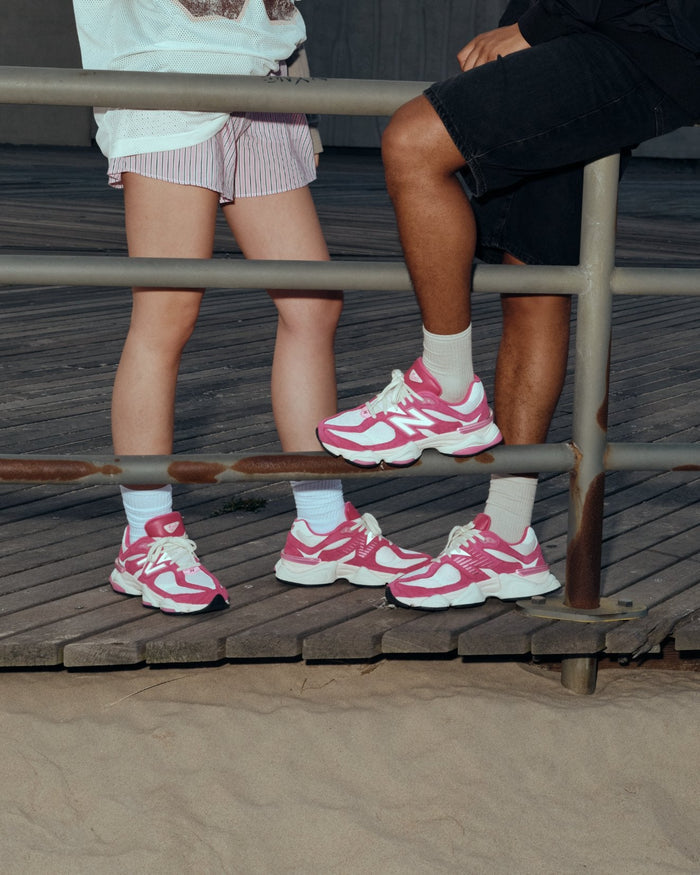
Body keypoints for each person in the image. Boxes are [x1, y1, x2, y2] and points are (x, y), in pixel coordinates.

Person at [318, 0, 700, 610]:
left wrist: (534, 28)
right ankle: (507, 538)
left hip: (637, 30)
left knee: (413, 141)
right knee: (535, 277)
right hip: (587, 27)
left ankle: (444, 388)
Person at [71, 0, 431, 615]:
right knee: (167, 312)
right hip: (165, 84)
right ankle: (145, 537)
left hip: (264, 89)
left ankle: (321, 528)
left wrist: (302, 98)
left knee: (313, 305)